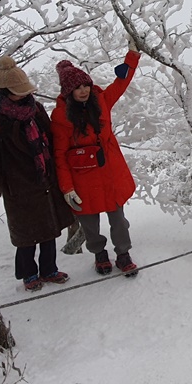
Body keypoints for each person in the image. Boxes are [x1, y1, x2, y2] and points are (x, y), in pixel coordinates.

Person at [0, 56, 76, 292]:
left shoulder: (36, 110)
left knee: (49, 230)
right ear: (3, 92)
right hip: (19, 186)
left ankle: (49, 269)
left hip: (45, 180)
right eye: (17, 92)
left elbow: (53, 141)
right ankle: (29, 274)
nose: (23, 95)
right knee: (27, 236)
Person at [50, 41, 142, 276]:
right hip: (82, 177)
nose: (83, 90)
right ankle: (99, 254)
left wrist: (131, 57)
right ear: (68, 92)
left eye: (85, 85)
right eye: (77, 87)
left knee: (119, 220)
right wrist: (67, 188)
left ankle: (123, 254)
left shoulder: (101, 102)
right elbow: (59, 155)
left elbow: (121, 84)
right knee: (90, 224)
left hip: (109, 173)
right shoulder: (60, 117)